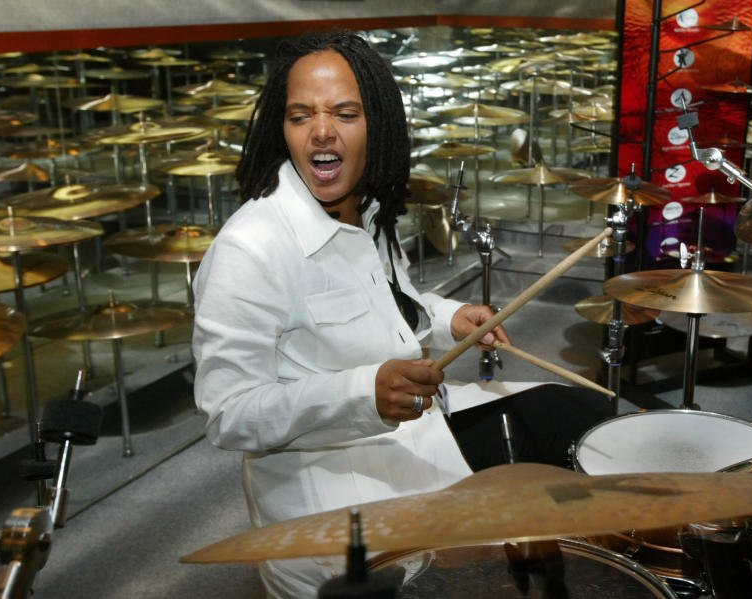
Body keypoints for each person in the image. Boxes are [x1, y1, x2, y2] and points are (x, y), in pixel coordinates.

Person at [192, 30, 611, 598]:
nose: (321, 131)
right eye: (300, 116)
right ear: (281, 128)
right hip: (332, 488)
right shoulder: (250, 248)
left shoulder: (364, 209)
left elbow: (394, 303)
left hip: (420, 430)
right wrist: (365, 392)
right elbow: (228, 414)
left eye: (345, 113)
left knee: (585, 420)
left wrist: (451, 317)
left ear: (378, 126)